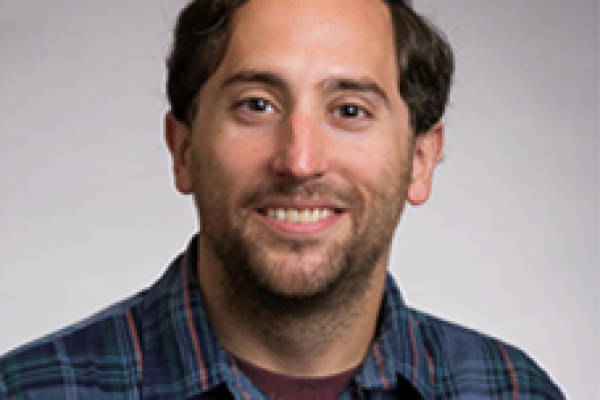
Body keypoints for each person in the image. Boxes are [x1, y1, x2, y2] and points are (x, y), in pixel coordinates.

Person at [0, 0, 565, 399]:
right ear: (183, 149)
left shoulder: (514, 389)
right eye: (257, 105)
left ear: (421, 160)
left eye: (349, 110)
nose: (299, 161)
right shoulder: (31, 390)